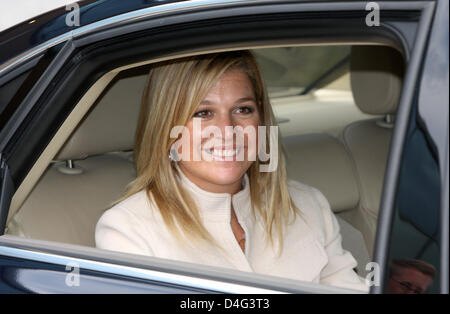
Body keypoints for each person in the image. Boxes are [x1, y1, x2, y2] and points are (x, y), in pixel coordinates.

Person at [95, 50, 367, 291]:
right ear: (167, 126)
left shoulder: (307, 204)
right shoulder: (128, 230)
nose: (227, 131)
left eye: (242, 109)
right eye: (203, 113)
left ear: (261, 119)